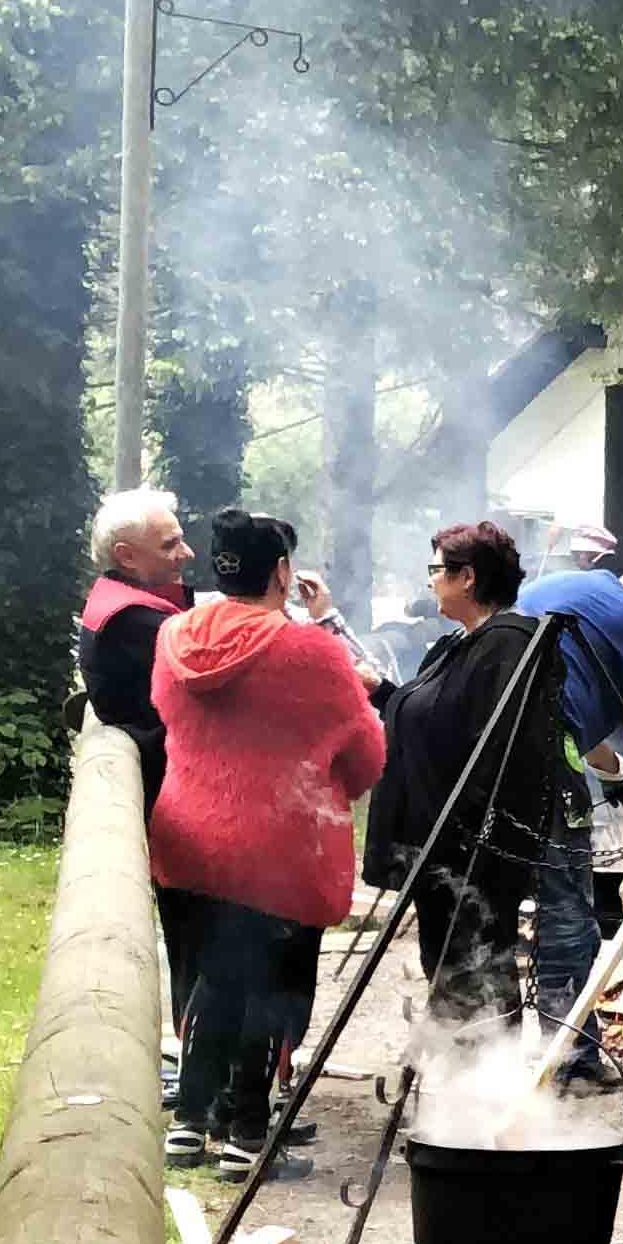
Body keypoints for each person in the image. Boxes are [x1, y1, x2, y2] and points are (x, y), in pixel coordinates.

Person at [148, 511, 385, 1173]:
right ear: (283, 571)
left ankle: (190, 1125)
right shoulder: (310, 651)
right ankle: (248, 1139)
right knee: (271, 989)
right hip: (278, 850)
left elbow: (167, 716)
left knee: (213, 981)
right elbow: (366, 752)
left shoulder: (173, 636)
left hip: (188, 838)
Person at [356, 521, 578, 1033]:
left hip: (470, 855)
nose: (430, 580)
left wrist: (466, 838)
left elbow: (504, 753)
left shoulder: (507, 646)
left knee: (475, 976)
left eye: (436, 570)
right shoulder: (461, 645)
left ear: (468, 577)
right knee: (452, 977)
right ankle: (462, 1096)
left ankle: (486, 1098)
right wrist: (382, 692)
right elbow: (439, 726)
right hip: (439, 852)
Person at [513, 550, 623, 1075]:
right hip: (546, 760)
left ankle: (476, 1057)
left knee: (491, 904)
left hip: (494, 750)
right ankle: (573, 1062)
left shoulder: (567, 589)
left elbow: (589, 742)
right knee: (566, 918)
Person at [77, 486, 192, 813]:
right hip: (163, 795)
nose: (187, 553)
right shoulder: (131, 619)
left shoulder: (116, 598)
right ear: (126, 556)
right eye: (170, 545)